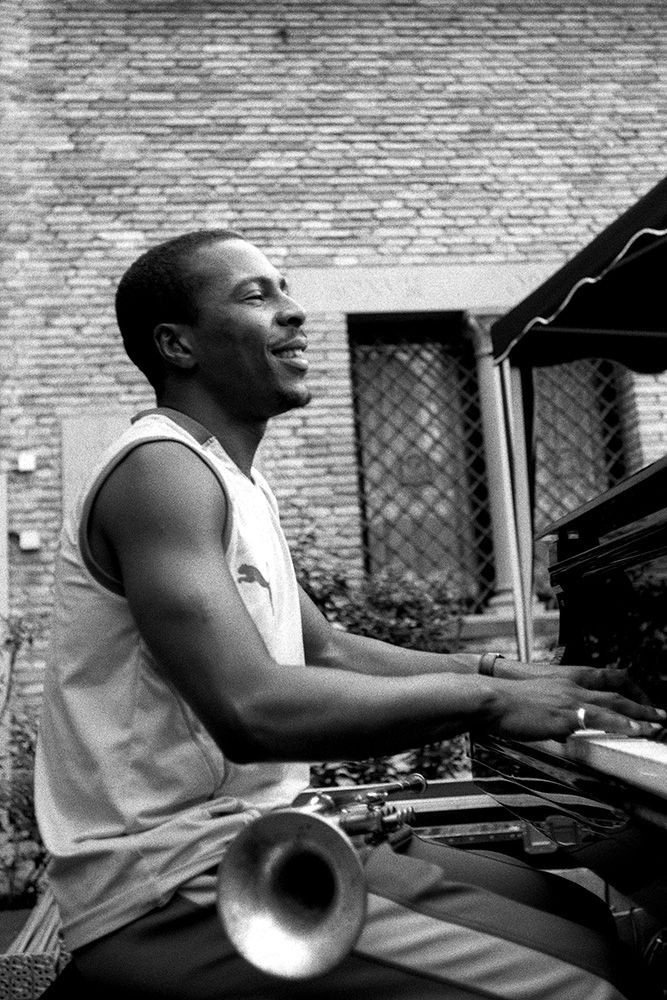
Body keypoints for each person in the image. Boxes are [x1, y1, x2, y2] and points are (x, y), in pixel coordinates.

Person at [35, 229, 664, 999]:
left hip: (249, 835)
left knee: (581, 918)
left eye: (286, 289)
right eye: (256, 295)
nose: (294, 312)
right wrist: (487, 700)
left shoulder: (232, 477)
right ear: (178, 344)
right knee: (586, 983)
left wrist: (504, 672)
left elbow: (325, 650)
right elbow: (250, 709)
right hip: (168, 878)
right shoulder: (161, 471)